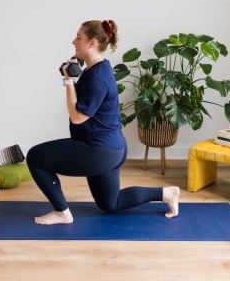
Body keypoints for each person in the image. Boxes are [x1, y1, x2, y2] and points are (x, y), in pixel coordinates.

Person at [26, 20, 180, 225]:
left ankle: (62, 212)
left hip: (98, 150)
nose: (74, 41)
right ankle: (166, 193)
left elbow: (77, 117)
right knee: (110, 203)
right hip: (112, 149)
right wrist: (73, 75)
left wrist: (69, 81)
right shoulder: (97, 68)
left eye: (78, 38)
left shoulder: (97, 77)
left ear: (91, 43)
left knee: (35, 157)